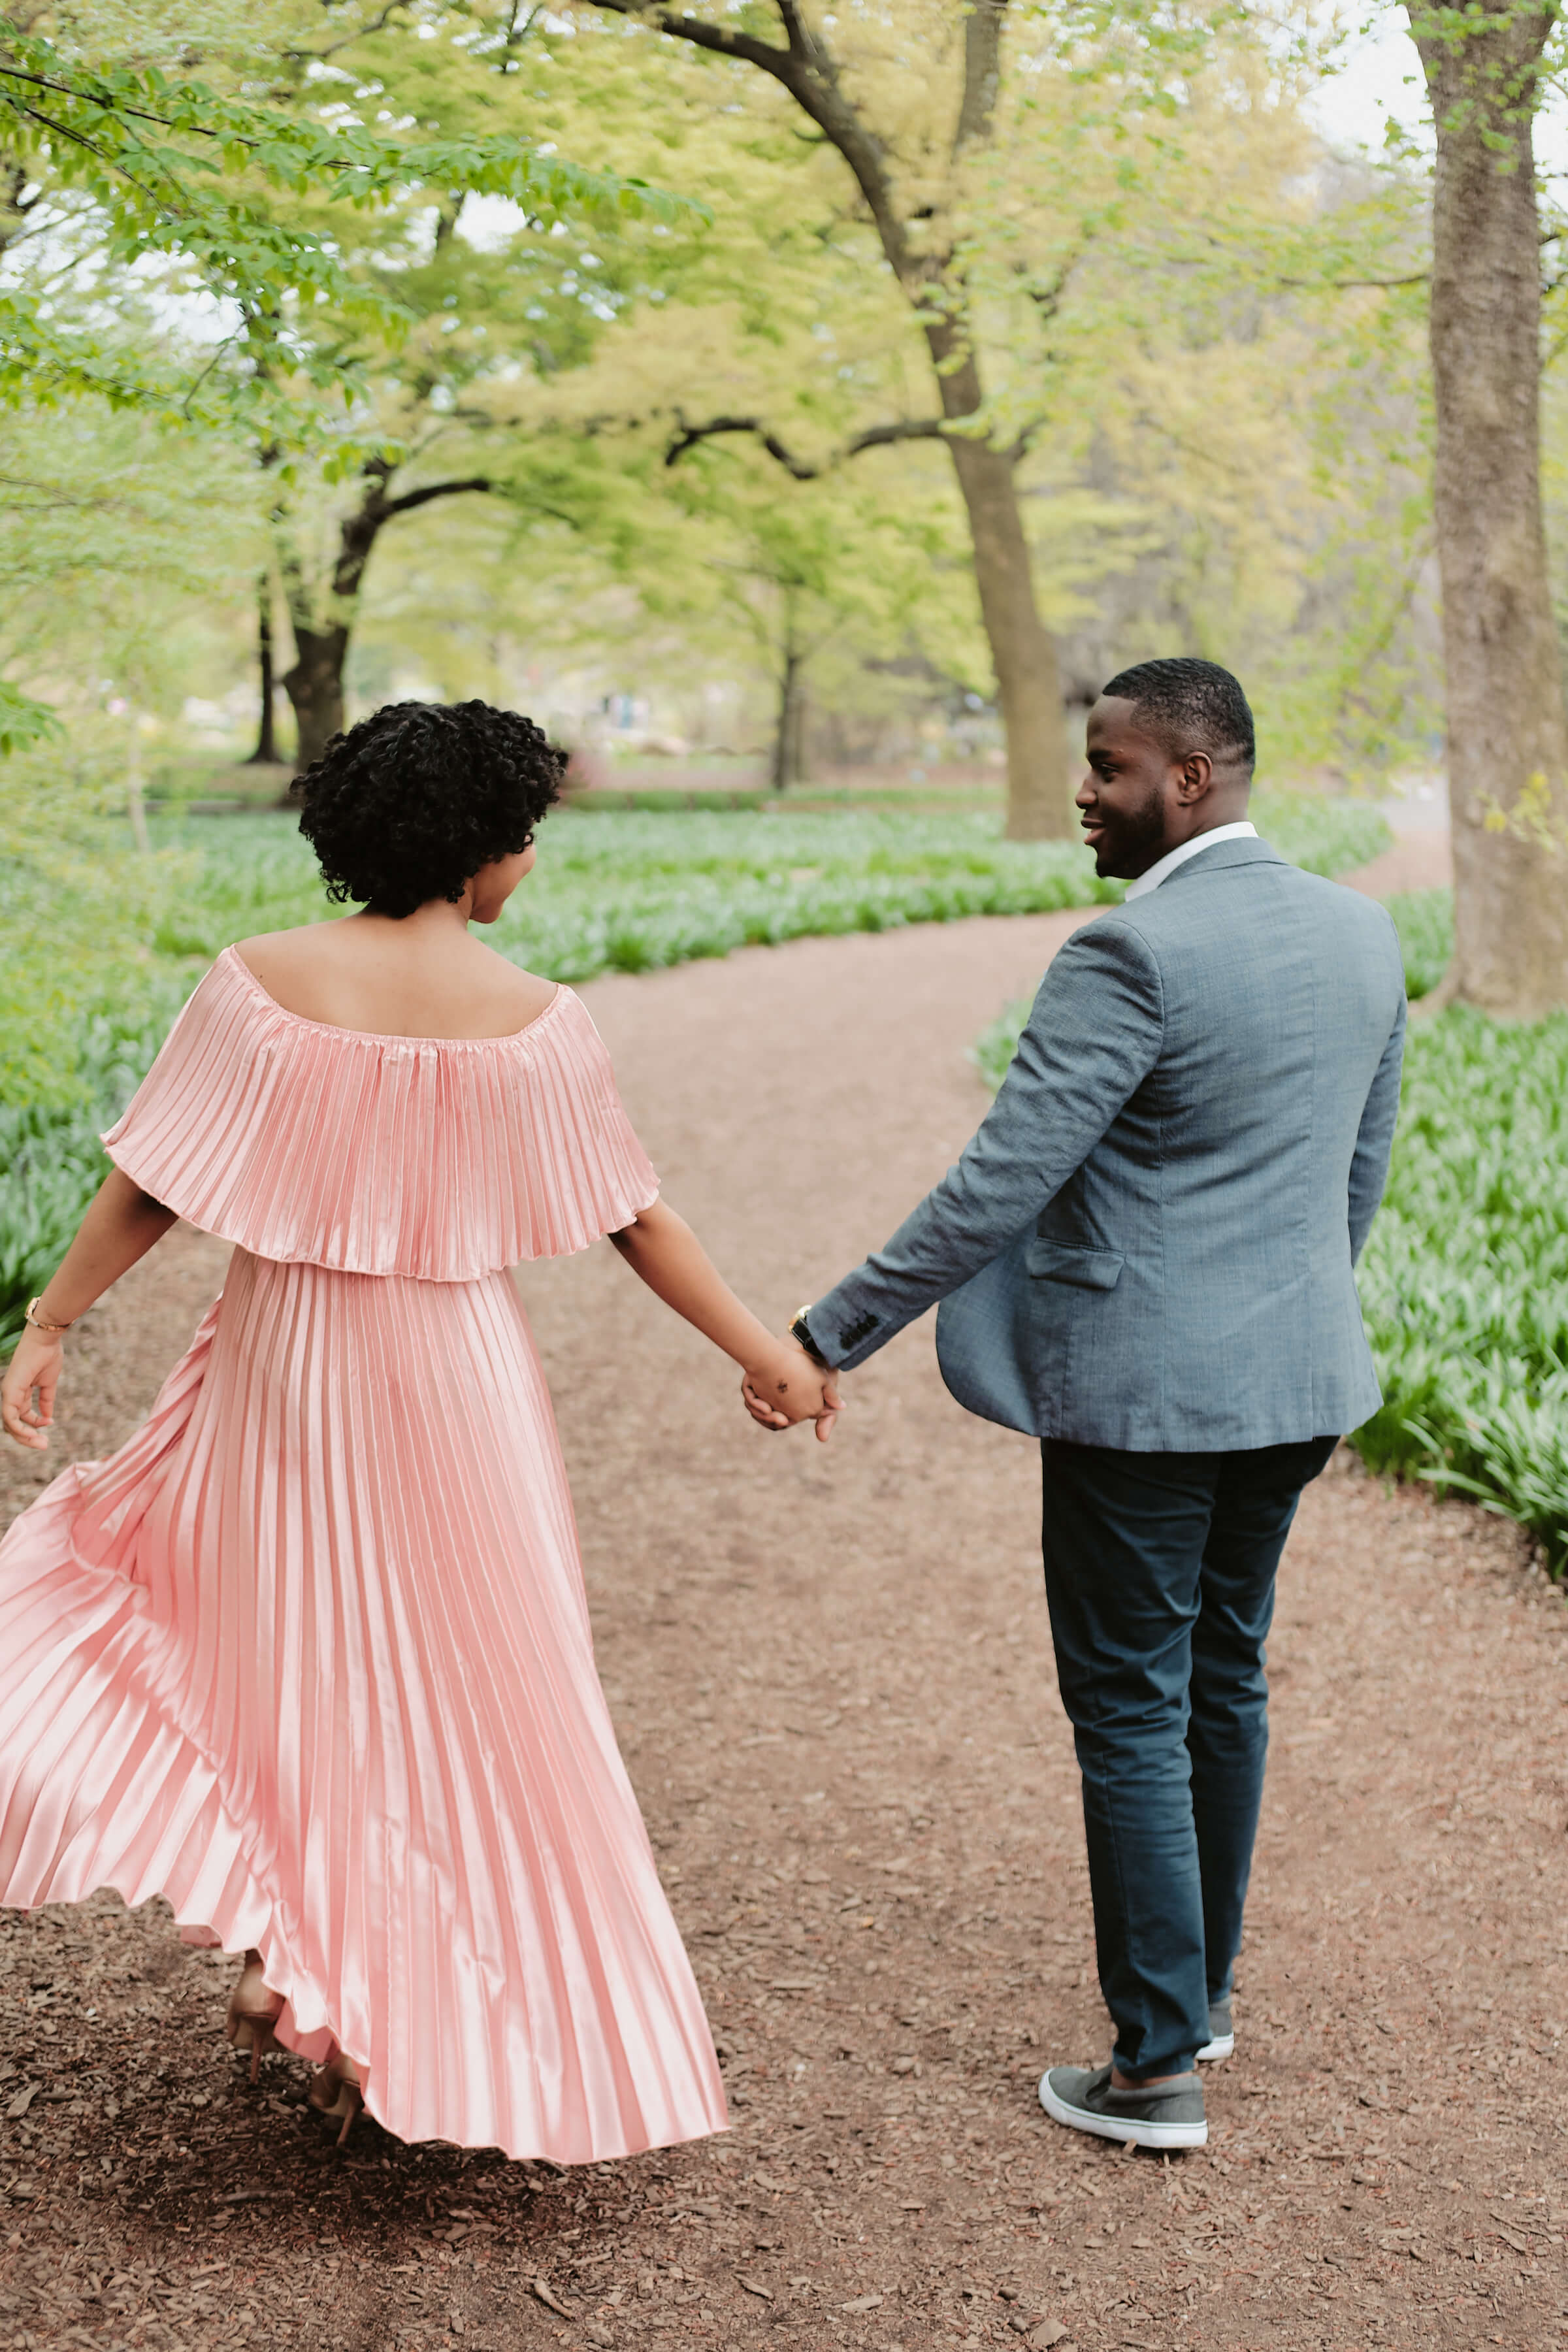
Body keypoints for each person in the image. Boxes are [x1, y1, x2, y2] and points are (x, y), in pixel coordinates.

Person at [0, 699, 834, 2161]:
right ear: (489, 849)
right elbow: (636, 1218)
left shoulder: (259, 984)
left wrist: (54, 1320)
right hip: (461, 1379)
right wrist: (765, 1353)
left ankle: (298, 1951)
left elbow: (156, 1182)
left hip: (290, 1366)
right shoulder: (537, 1021)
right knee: (483, 1688)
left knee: (287, 1659)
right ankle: (393, 1997)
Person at [749, 659, 1406, 2152]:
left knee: (1129, 1702)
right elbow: (1352, 1178)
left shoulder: (1130, 955)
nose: (1083, 796)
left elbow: (1004, 1176)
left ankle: (1155, 2064)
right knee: (1222, 1677)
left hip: (1146, 1403)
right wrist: (1281, 1329)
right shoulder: (1360, 932)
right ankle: (1206, 1998)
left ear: (1192, 777)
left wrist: (828, 1332)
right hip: (1295, 1379)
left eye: (1108, 768)